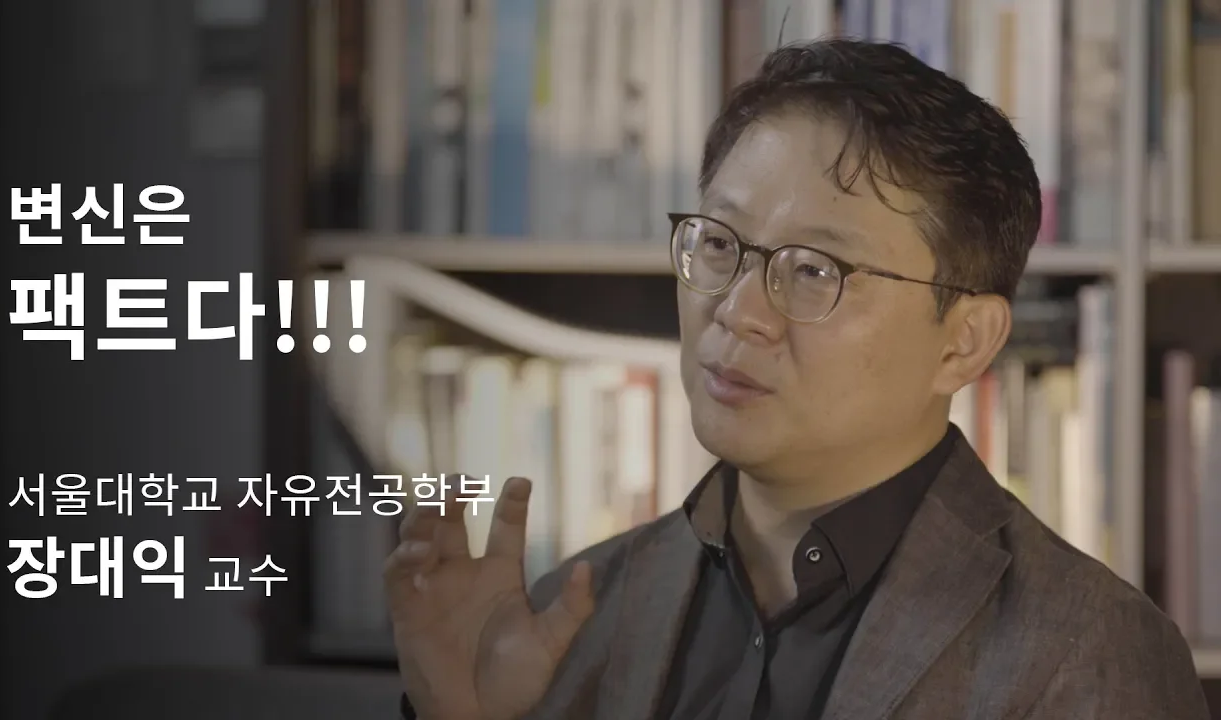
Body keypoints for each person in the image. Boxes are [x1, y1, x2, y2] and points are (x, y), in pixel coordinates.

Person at [383, 39, 1210, 720]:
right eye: (719, 244)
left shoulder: (1087, 651)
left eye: (814, 269)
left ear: (964, 343)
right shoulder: (577, 610)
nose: (739, 311)